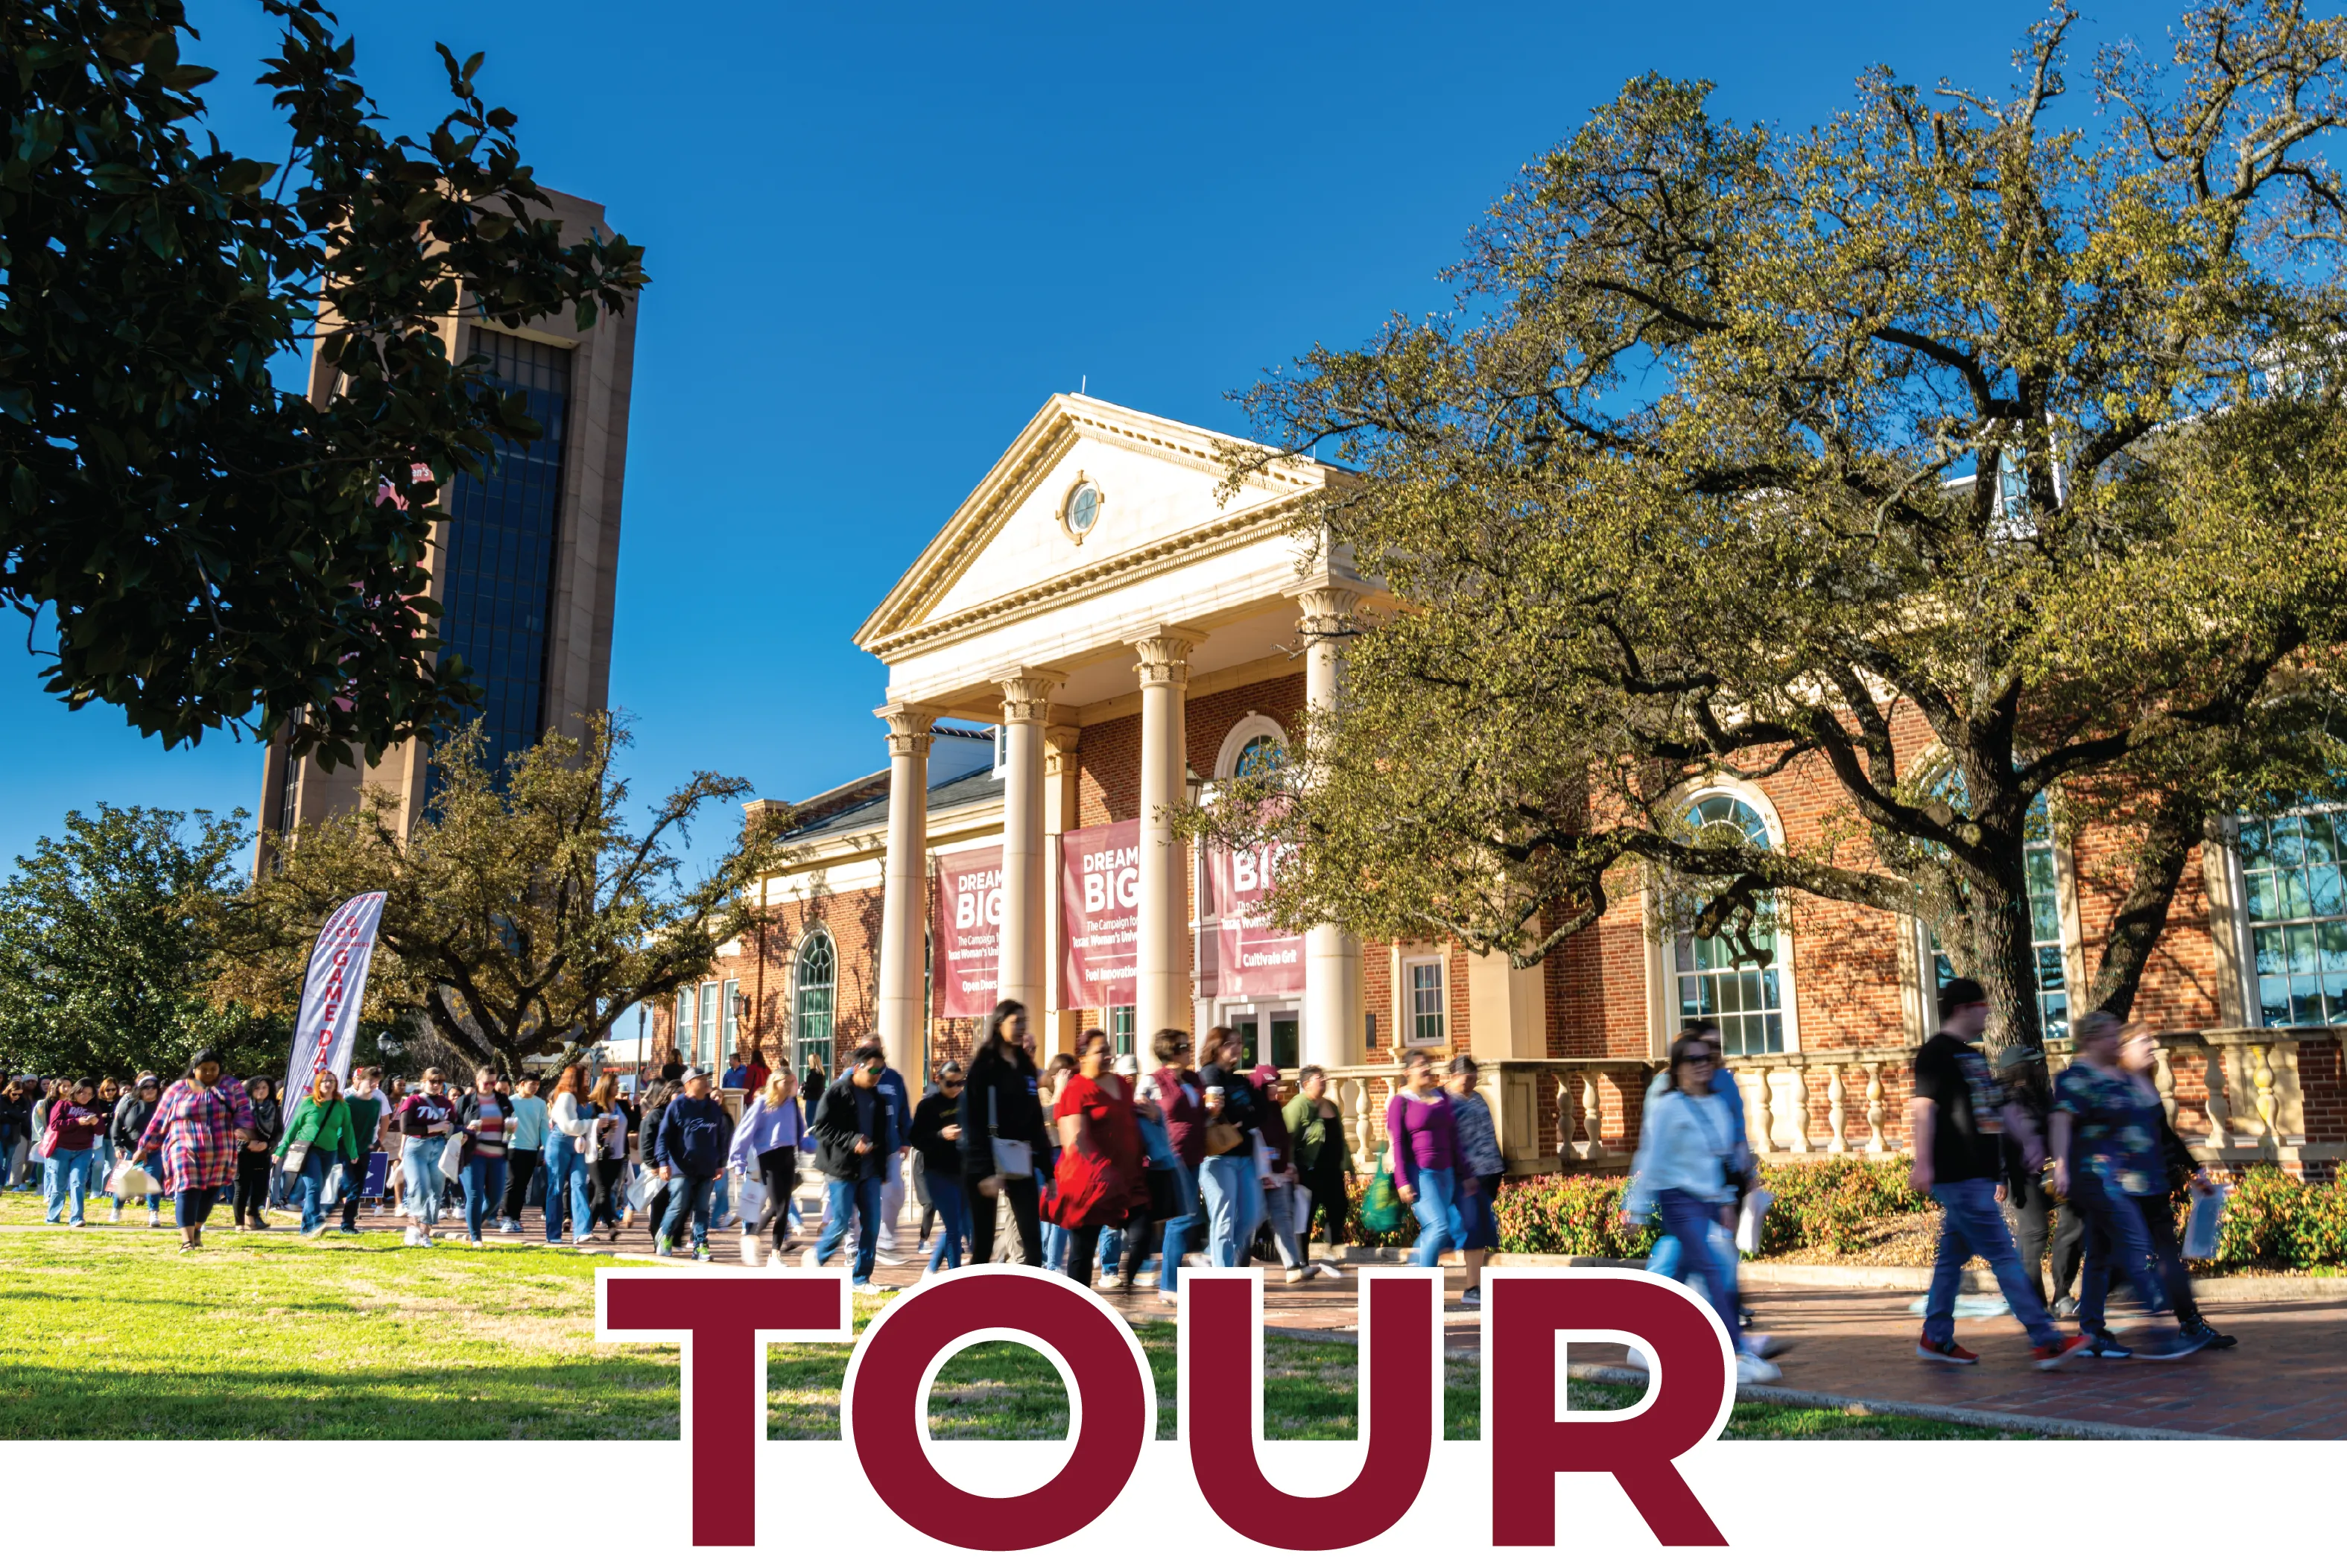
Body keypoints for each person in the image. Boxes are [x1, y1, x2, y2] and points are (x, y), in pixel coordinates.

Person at [1911, 977, 2090, 1369]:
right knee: (2005, 1258)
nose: (1988, 1011)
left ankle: (1936, 1337)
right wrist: (1922, 1160)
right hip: (1957, 1176)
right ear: (1963, 1008)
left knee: (1949, 1261)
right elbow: (1924, 1109)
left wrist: (2028, 1139)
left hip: (1975, 1175)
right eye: (1982, 1005)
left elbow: (1997, 1107)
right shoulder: (1935, 1054)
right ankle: (2045, 1340)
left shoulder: (1971, 1057)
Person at [1621, 1031, 1780, 1384]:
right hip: (1677, 1200)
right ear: (1677, 1069)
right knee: (1714, 1267)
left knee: (1685, 1270)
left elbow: (1721, 1157)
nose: (1703, 1065)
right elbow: (1651, 1156)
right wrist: (1636, 1207)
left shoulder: (1717, 1105)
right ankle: (1733, 1354)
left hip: (1708, 1201)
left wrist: (1725, 1200)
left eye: (1707, 1058)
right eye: (1693, 1060)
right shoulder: (1667, 1107)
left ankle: (1642, 1343)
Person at [2051, 1010, 2203, 1359]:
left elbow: (2146, 1124)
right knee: (2134, 1244)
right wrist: (2061, 1164)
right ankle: (2161, 1334)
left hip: (2120, 1180)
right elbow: (2061, 1122)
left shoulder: (2118, 1077)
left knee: (2102, 1255)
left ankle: (2092, 1332)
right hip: (2094, 1178)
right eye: (2109, 1035)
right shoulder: (2077, 1079)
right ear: (2090, 1039)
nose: (2115, 1041)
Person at [2116, 1020, 2237, 1351]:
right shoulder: (2117, 1087)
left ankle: (2190, 1323)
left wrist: (2195, 1170)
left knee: (2166, 1256)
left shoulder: (2146, 1085)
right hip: (2123, 1189)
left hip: (2153, 1184)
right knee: (2121, 1258)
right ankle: (2096, 1326)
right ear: (2124, 1049)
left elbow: (2166, 1135)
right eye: (2144, 1042)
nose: (2151, 1047)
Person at [1048, 1029, 1151, 1290]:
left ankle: (1127, 1295)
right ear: (1082, 1057)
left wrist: (1153, 1113)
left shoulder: (1121, 1084)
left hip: (1127, 1178)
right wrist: (1103, 1172)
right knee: (1083, 1252)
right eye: (1100, 1051)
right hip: (1088, 1184)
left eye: (1108, 1049)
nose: (1107, 1055)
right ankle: (1077, 1311)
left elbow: (1129, 1120)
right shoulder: (1076, 1089)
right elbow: (1074, 1140)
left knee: (1142, 1235)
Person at [136, 1047, 256, 1251]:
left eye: (213, 1069)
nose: (209, 1073)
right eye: (203, 1069)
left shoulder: (231, 1086)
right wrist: (145, 1147)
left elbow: (244, 1111)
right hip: (184, 1146)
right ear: (194, 1068)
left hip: (219, 1148)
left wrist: (244, 1130)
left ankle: (197, 1228)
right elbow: (159, 1120)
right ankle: (187, 1240)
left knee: (211, 1191)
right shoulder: (178, 1089)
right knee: (187, 1187)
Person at [957, 999, 1049, 1268]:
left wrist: (1048, 1169)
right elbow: (972, 1121)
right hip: (983, 1162)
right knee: (983, 1248)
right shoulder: (984, 1066)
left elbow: (1035, 1121)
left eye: (1024, 1021)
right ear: (999, 1025)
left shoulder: (1025, 1068)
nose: (1022, 1027)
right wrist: (987, 1172)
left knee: (1033, 1243)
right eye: (1015, 1022)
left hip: (1019, 1158)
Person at [809, 1044, 899, 1286]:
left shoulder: (878, 1100)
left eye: (881, 1071)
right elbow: (821, 1128)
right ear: (857, 1068)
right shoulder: (837, 1092)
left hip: (869, 1171)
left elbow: (881, 1137)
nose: (878, 1075)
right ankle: (816, 1258)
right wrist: (851, 1141)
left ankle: (861, 1279)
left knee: (871, 1226)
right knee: (839, 1224)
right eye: (873, 1070)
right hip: (841, 1169)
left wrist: (882, 1170)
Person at [1384, 1050, 1463, 1283]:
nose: (1426, 1068)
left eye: (1428, 1064)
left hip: (1447, 1172)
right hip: (1421, 1173)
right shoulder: (1401, 1102)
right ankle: (1424, 1289)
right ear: (1408, 1071)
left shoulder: (1442, 1097)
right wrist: (1402, 1181)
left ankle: (1415, 1268)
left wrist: (1464, 1172)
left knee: (1452, 1229)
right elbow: (1397, 1143)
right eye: (1420, 1065)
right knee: (1438, 1226)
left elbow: (1455, 1136)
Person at [1147, 1029, 1207, 1304]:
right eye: (1183, 1046)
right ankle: (1169, 1285)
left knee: (1187, 1217)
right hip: (1172, 1155)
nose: (1189, 1049)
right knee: (1182, 1218)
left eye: (1189, 1044)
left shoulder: (1194, 1079)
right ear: (1169, 1050)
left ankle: (1171, 1281)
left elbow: (1201, 1111)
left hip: (1196, 1153)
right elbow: (1143, 1112)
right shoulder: (1155, 1081)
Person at [1197, 1027, 1265, 1269]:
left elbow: (1258, 1115)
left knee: (1253, 1215)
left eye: (1239, 1043)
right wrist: (1240, 1118)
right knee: (1224, 1219)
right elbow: (1215, 1111)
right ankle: (1222, 1274)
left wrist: (1241, 1120)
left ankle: (1211, 1254)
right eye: (1230, 1043)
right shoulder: (1209, 1075)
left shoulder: (1239, 1079)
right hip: (1219, 1158)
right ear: (1216, 1047)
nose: (1237, 1047)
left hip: (1244, 1156)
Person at [1445, 1056, 1509, 1307]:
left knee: (1479, 1230)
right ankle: (1419, 1271)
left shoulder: (1479, 1098)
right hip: (1465, 1176)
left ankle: (1473, 1286)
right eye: (1466, 1079)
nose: (1470, 1083)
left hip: (1489, 1172)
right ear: (1453, 1076)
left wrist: (1500, 1165)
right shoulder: (1445, 1103)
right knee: (1465, 1230)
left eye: (1474, 1078)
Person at [730, 1065, 806, 1266]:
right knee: (781, 1208)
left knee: (780, 1207)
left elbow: (801, 1134)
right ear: (775, 1083)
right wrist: (738, 1161)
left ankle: (759, 1241)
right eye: (786, 1082)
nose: (790, 1085)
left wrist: (818, 1148)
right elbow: (743, 1133)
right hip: (769, 1159)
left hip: (789, 1157)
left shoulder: (792, 1105)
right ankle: (771, 1252)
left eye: (792, 1082)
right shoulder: (762, 1104)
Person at [655, 1064, 732, 1260]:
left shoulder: (713, 1108)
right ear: (689, 1084)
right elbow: (663, 1136)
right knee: (679, 1204)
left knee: (702, 1208)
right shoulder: (678, 1105)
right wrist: (663, 1162)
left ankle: (700, 1245)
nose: (706, 1081)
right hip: (682, 1166)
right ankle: (665, 1235)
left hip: (707, 1167)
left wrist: (720, 1163)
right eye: (701, 1078)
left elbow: (721, 1137)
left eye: (707, 1078)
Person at [1284, 1064, 1352, 1278]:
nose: (1323, 1079)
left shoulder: (1330, 1105)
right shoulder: (1299, 1106)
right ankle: (1301, 1261)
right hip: (1308, 1170)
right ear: (1306, 1084)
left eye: (1323, 1076)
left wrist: (1348, 1165)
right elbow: (1286, 1139)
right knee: (1306, 1215)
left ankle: (1332, 1251)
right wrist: (1291, 1165)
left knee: (1339, 1206)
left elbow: (1340, 1137)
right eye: (1317, 1077)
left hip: (1331, 1170)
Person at [273, 1069, 358, 1237]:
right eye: (324, 1081)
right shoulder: (308, 1103)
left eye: (331, 1081)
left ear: (336, 1085)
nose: (328, 1084)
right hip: (308, 1150)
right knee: (314, 1186)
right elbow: (294, 1127)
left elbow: (348, 1131)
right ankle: (317, 1221)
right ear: (318, 1084)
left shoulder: (342, 1106)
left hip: (330, 1151)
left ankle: (306, 1229)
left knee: (316, 1189)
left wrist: (353, 1152)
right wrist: (281, 1149)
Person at [1250, 1064, 1310, 1283]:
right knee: (1249, 1222)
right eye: (1272, 1084)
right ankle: (1222, 1262)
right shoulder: (1253, 1109)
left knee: (1284, 1218)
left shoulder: (1275, 1108)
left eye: (1277, 1083)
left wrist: (1288, 1165)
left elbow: (1284, 1140)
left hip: (1279, 1174)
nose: (1277, 1088)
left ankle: (1293, 1266)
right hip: (1258, 1175)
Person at [910, 1061, 968, 1273]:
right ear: (939, 1080)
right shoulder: (928, 1106)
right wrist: (941, 1135)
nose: (956, 1088)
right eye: (951, 1083)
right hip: (937, 1173)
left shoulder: (967, 1101)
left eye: (960, 1083)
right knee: (954, 1227)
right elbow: (916, 1138)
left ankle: (932, 1268)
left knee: (960, 1225)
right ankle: (955, 1276)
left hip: (963, 1171)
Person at [863, 1035, 915, 1266]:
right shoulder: (854, 1076)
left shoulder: (894, 1078)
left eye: (876, 1050)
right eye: (868, 1051)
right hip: (864, 1149)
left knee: (895, 1193)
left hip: (891, 1147)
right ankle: (853, 1245)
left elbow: (903, 1110)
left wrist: (906, 1139)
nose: (873, 1055)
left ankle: (886, 1241)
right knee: (860, 1199)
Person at [393, 1068, 458, 1247]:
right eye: (433, 1081)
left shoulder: (446, 1103)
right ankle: (413, 1227)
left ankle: (425, 1233)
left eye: (440, 1082)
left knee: (436, 1191)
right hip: (417, 1146)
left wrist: (464, 1134)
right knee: (419, 1187)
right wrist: (434, 1127)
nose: (436, 1085)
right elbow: (405, 1128)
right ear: (424, 1082)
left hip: (439, 1147)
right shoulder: (413, 1101)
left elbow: (454, 1125)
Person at [452, 1067, 515, 1248]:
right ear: (477, 1081)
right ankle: (476, 1238)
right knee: (475, 1195)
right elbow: (452, 1127)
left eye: (493, 1083)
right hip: (473, 1154)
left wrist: (511, 1131)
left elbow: (508, 1128)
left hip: (497, 1154)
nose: (489, 1086)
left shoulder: (502, 1100)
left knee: (495, 1199)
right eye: (486, 1082)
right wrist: (465, 1130)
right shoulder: (465, 1101)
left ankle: (474, 1222)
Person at [542, 1064, 596, 1245]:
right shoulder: (565, 1097)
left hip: (578, 1145)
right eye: (585, 1076)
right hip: (560, 1143)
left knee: (580, 1183)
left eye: (588, 1076)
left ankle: (582, 1231)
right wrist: (593, 1124)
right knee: (556, 1187)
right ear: (575, 1078)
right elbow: (568, 1126)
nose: (588, 1079)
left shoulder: (584, 1098)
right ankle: (554, 1233)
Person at [41, 1078, 108, 1226]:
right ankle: (53, 1217)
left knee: (78, 1183)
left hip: (83, 1150)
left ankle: (77, 1218)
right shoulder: (63, 1105)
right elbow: (55, 1124)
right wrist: (77, 1121)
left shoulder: (95, 1109)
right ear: (75, 1092)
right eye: (82, 1093)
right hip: (61, 1150)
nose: (85, 1097)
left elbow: (101, 1130)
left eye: (90, 1094)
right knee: (58, 1186)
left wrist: (95, 1122)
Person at [1037, 1051, 1077, 1270]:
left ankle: (1052, 1262)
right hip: (1049, 1155)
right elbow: (1050, 1116)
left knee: (1062, 1213)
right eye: (1069, 1075)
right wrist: (1061, 1088)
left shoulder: (1071, 1091)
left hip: (1067, 1153)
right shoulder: (1042, 1091)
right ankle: (1049, 1263)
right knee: (1053, 1215)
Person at [336, 1067, 388, 1236]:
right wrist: (350, 1150)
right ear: (359, 1080)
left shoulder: (376, 1103)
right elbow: (343, 1128)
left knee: (357, 1188)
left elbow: (375, 1125)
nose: (373, 1085)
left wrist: (376, 1142)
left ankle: (348, 1224)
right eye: (370, 1081)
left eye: (377, 1082)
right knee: (348, 1184)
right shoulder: (348, 1101)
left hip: (365, 1149)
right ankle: (328, 1206)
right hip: (346, 1148)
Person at [110, 1074, 165, 1225]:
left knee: (152, 1180)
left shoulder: (162, 1107)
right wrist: (117, 1145)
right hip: (130, 1149)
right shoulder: (129, 1104)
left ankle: (153, 1213)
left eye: (153, 1087)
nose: (150, 1090)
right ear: (139, 1089)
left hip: (154, 1151)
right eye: (146, 1087)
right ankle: (116, 1209)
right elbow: (116, 1125)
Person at [501, 1071, 548, 1234]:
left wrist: (546, 1150)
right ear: (521, 1084)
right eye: (532, 1083)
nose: (535, 1087)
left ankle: (516, 1218)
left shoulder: (541, 1104)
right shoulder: (510, 1101)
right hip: (513, 1147)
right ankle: (506, 1218)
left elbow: (543, 1128)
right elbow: (504, 1127)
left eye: (537, 1084)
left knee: (522, 1185)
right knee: (512, 1183)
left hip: (531, 1149)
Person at [234, 1076, 282, 1231]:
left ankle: (253, 1214)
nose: (261, 1091)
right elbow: (232, 1131)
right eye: (257, 1088)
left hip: (263, 1153)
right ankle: (239, 1223)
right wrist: (248, 1144)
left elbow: (278, 1131)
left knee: (261, 1189)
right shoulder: (241, 1108)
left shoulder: (275, 1108)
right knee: (242, 1188)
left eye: (264, 1088)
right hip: (242, 1153)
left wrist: (267, 1145)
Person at [584, 1074, 627, 1242]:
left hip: (617, 1155)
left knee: (602, 1194)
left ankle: (587, 1230)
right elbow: (590, 1131)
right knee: (602, 1191)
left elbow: (633, 1124)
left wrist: (637, 1107)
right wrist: (606, 1128)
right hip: (597, 1155)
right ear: (606, 1086)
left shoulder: (622, 1105)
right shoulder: (594, 1107)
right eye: (615, 1085)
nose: (618, 1087)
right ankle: (611, 1227)